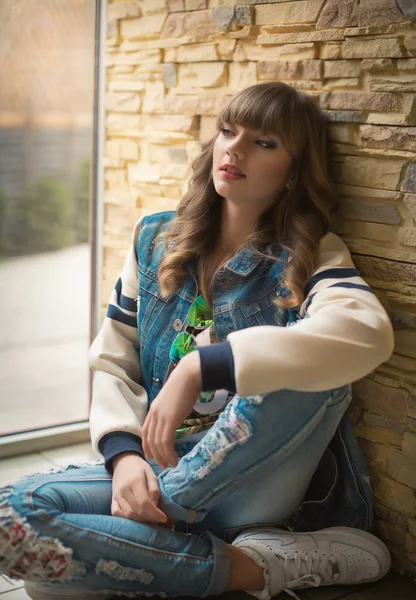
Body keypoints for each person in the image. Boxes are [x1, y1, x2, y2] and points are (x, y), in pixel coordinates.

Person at [0, 82, 394, 600]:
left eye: (264, 142)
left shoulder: (314, 253)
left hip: (251, 481)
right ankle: (256, 565)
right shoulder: (154, 239)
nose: (234, 148)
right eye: (228, 131)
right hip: (161, 466)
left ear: (294, 171)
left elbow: (365, 335)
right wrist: (124, 459)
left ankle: (165, 526)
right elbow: (113, 361)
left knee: (311, 366)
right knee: (13, 518)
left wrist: (202, 367)